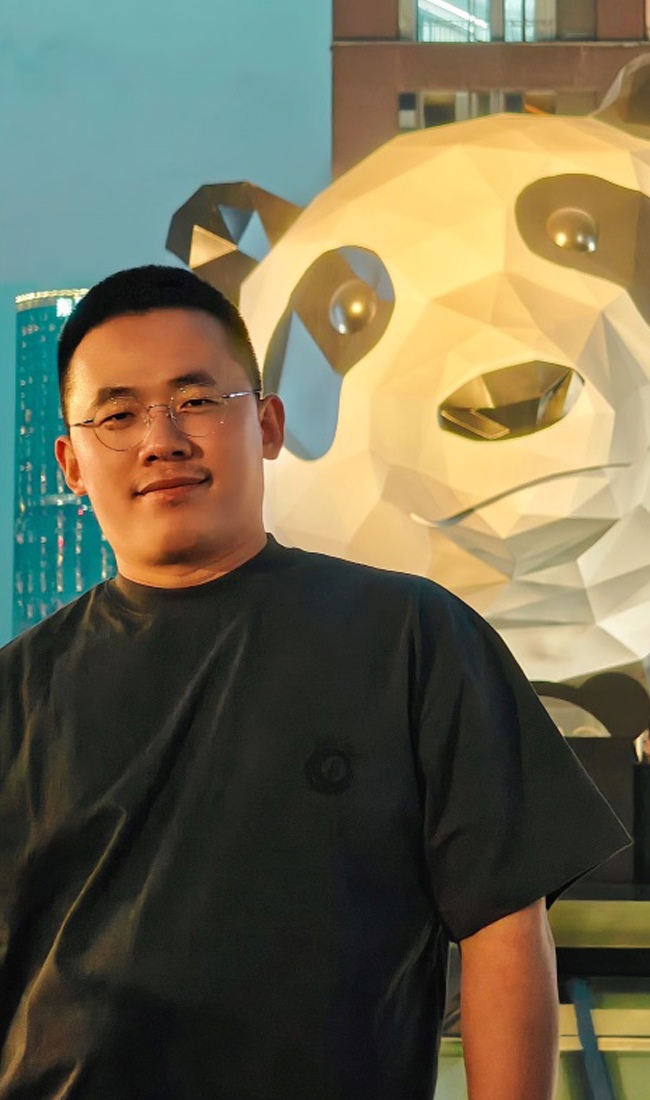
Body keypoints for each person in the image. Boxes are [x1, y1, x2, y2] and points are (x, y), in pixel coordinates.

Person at [0, 265, 629, 1100]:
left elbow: (505, 928)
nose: (162, 439)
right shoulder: (17, 692)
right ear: (71, 464)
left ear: (266, 424)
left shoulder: (412, 638)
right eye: (118, 415)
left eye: (196, 399)